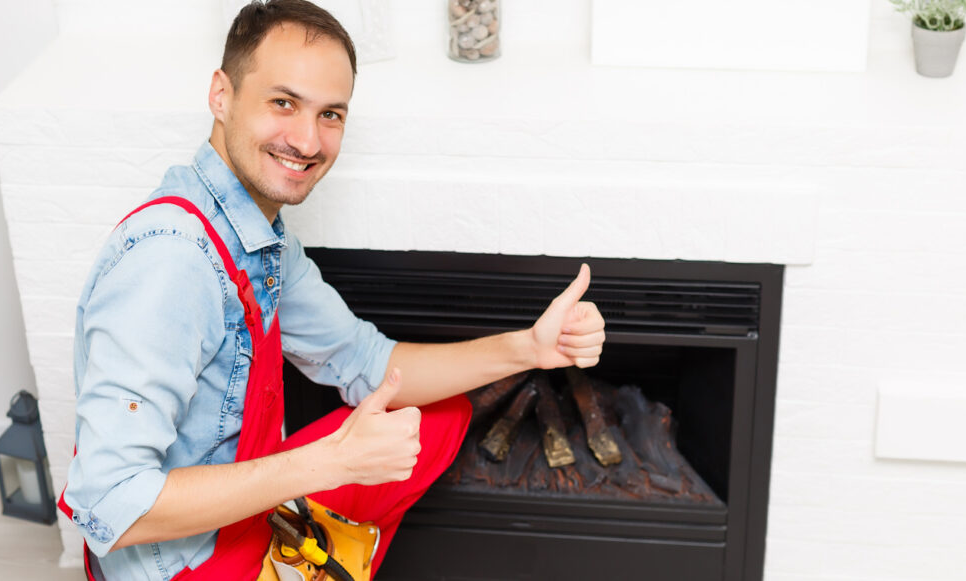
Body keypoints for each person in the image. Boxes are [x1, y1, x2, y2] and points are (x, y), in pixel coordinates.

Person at [58, 1, 607, 580]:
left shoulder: (256, 234)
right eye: (284, 103)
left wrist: (529, 348)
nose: (307, 140)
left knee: (433, 415)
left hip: (246, 511)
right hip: (181, 564)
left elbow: (365, 361)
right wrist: (325, 464)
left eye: (331, 115)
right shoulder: (171, 261)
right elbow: (108, 505)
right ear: (221, 94)